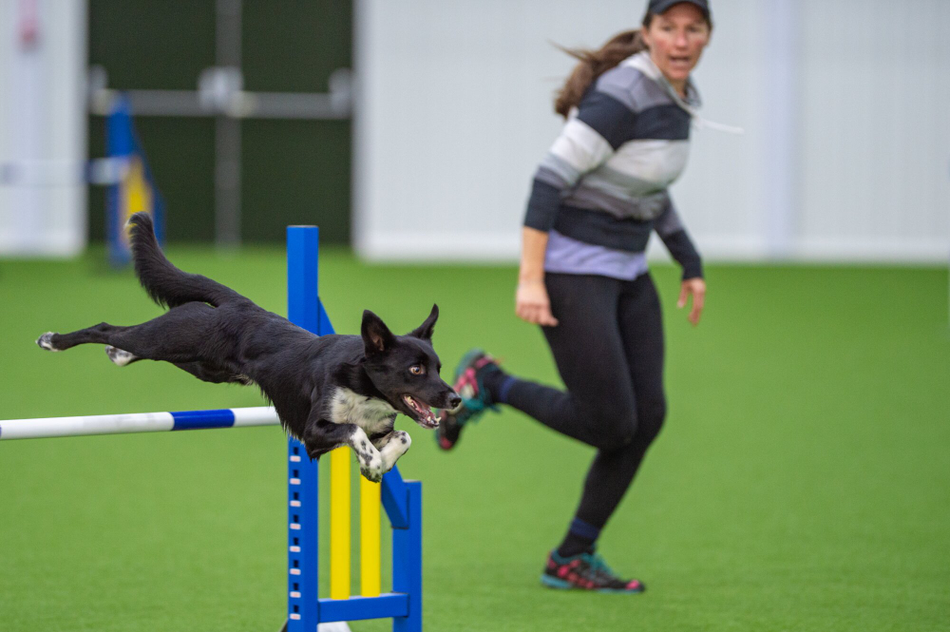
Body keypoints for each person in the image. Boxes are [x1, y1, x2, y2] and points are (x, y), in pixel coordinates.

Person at [437, 0, 713, 593]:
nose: (681, 39)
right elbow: (549, 180)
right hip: (570, 270)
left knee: (648, 416)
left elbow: (651, 187)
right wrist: (531, 277)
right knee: (611, 422)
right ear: (648, 34)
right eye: (669, 27)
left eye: (694, 28)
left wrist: (688, 261)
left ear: (707, 36)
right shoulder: (623, 94)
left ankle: (572, 555)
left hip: (627, 272)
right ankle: (491, 383)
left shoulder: (680, 98)